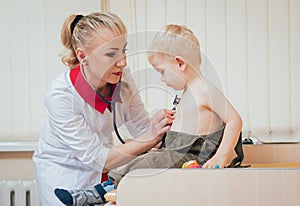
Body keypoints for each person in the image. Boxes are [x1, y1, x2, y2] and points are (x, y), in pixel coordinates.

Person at [54, 24, 244, 205]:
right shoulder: (188, 92)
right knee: (140, 161)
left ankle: (100, 192)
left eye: (162, 72)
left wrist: (222, 156)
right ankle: (104, 189)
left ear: (180, 63)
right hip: (177, 153)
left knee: (147, 163)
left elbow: (234, 119)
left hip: (191, 157)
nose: (161, 79)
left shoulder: (203, 89)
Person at [32, 12, 174, 206]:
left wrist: (160, 125)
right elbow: (99, 159)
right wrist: (151, 136)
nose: (123, 62)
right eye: (111, 54)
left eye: (123, 50)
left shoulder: (120, 76)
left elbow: (141, 128)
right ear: (83, 56)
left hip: (103, 174)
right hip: (64, 175)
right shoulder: (61, 96)